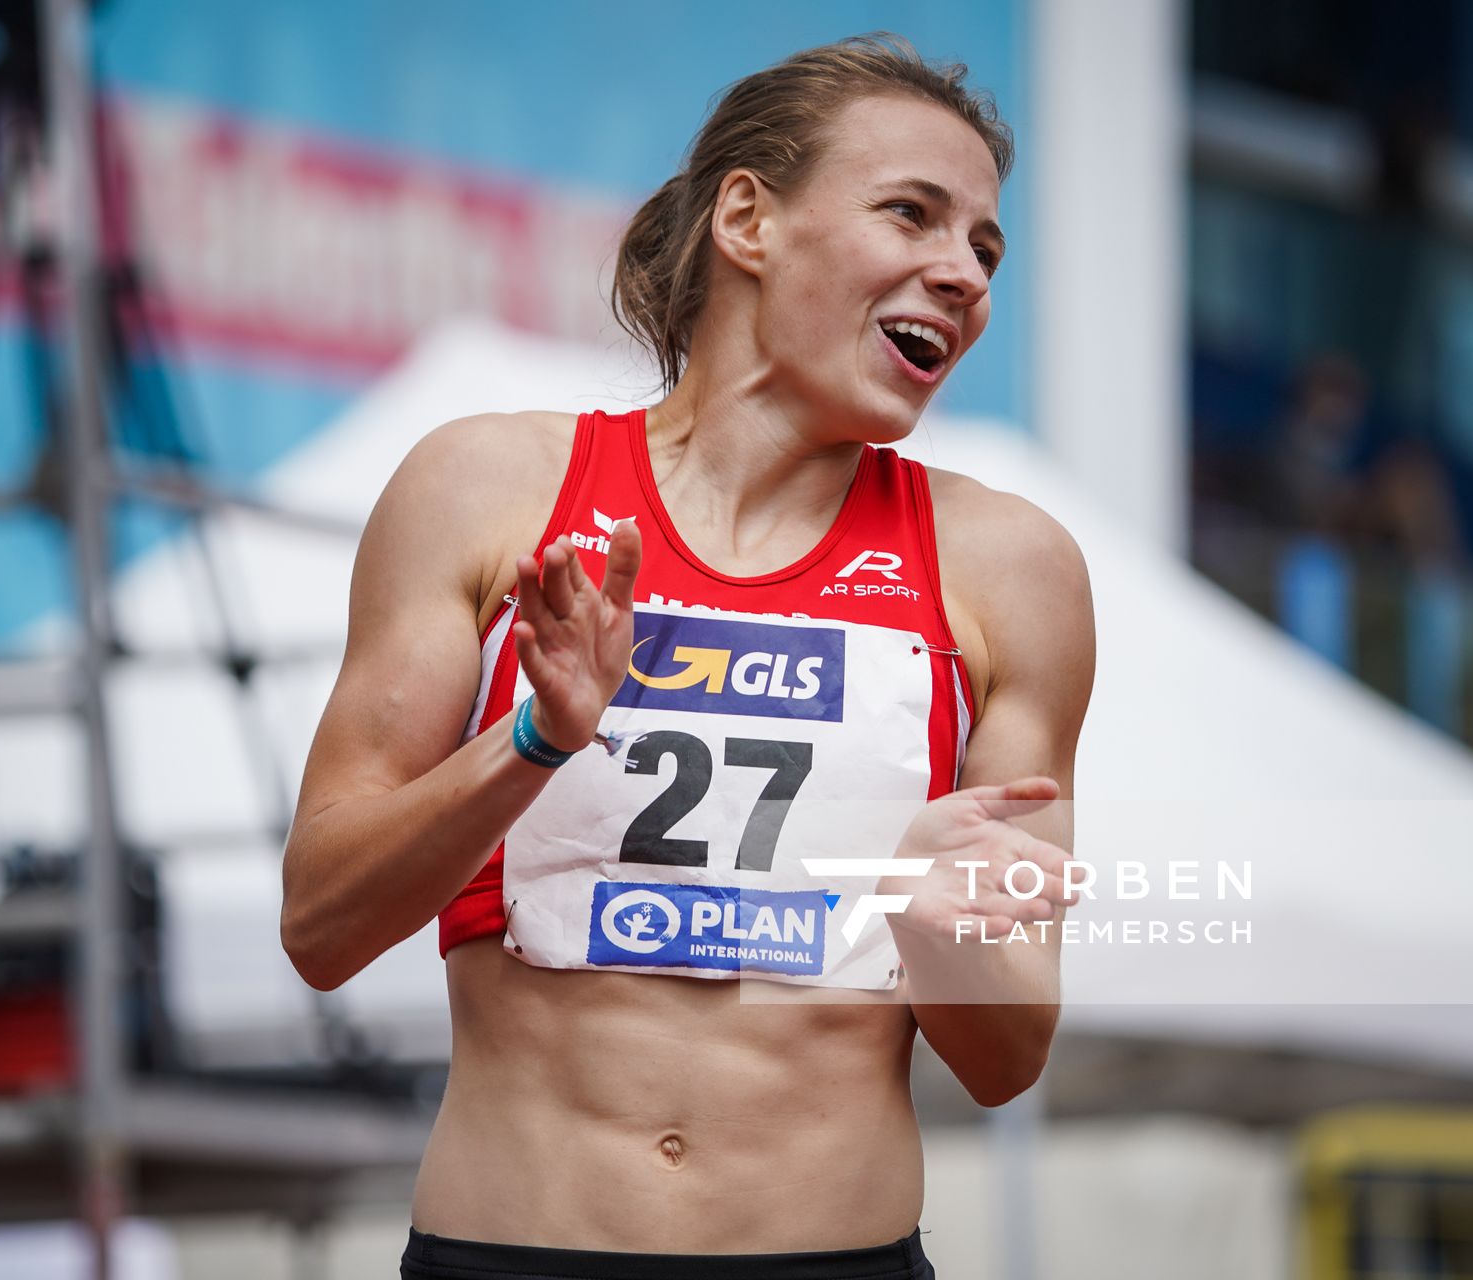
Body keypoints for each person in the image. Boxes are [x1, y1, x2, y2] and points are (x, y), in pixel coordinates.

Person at [281, 34, 1095, 1280]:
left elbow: (1007, 1056)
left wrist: (931, 918)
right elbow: (321, 921)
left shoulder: (1010, 567)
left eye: (984, 247)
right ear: (748, 218)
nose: (962, 273)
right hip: (516, 1248)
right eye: (913, 216)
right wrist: (534, 743)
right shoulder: (487, 485)